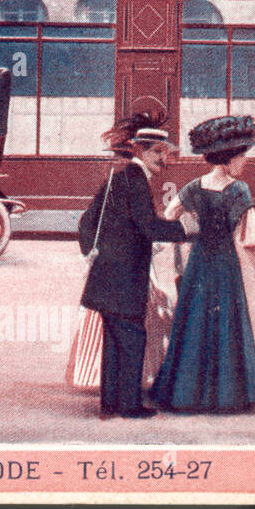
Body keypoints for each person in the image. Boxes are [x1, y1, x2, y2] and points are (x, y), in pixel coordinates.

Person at [151, 115, 255, 412]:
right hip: (226, 265)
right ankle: (225, 395)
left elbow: (170, 212)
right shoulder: (239, 190)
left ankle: (187, 393)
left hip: (200, 262)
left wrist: (191, 226)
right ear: (229, 158)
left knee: (194, 321)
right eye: (242, 156)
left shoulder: (194, 186)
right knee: (225, 322)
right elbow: (250, 240)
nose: (245, 162)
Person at [79, 111, 188, 419]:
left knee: (114, 342)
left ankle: (109, 404)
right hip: (125, 279)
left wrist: (92, 253)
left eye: (164, 153)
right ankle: (128, 406)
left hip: (105, 277)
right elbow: (147, 226)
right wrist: (182, 230)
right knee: (131, 338)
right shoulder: (137, 180)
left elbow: (87, 222)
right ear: (140, 149)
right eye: (157, 152)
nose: (163, 159)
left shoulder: (117, 177)